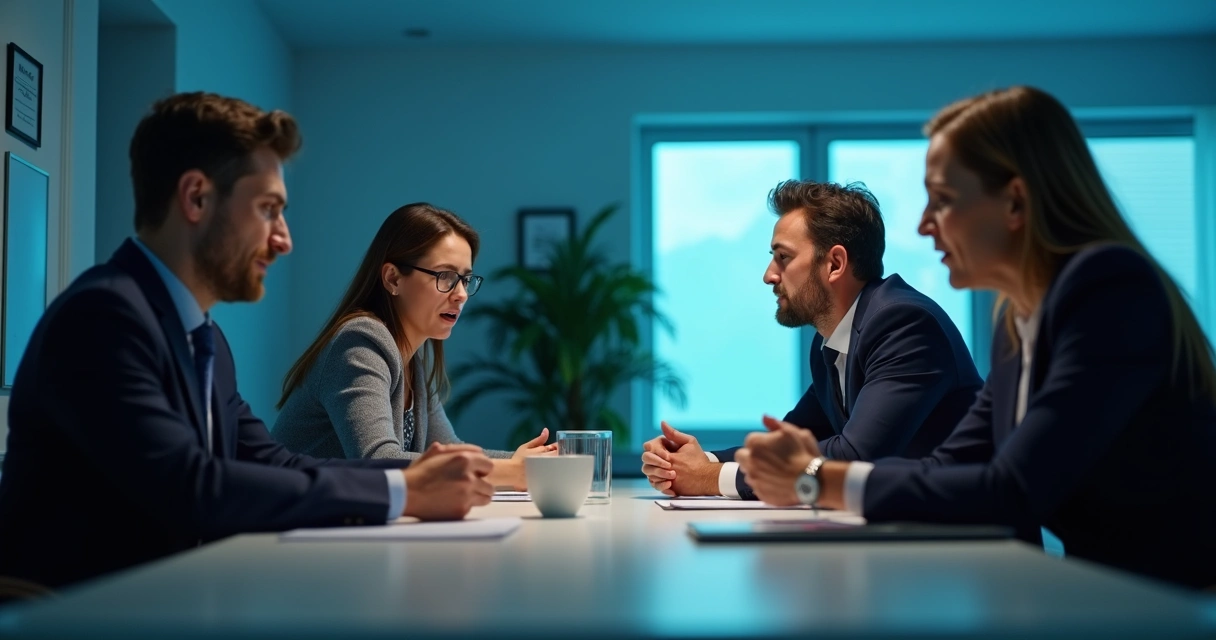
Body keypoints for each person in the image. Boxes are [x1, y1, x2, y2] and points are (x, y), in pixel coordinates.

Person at [0, 92, 494, 590]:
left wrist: (406, 485)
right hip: (79, 612)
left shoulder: (202, 334)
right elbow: (194, 485)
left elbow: (272, 461)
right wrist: (401, 491)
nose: (283, 239)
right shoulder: (105, 317)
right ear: (196, 198)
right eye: (267, 209)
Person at [737, 86, 1216, 589]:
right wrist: (808, 475)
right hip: (1104, 596)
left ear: (1014, 202)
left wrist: (813, 477)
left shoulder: (1108, 287)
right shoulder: (1018, 321)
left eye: (942, 201)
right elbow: (949, 465)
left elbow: (1011, 489)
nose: (924, 226)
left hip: (1179, 606)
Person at [642, 180, 982, 498]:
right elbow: (791, 444)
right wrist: (700, 460)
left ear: (834, 263)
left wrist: (709, 478)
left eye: (783, 257)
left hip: (976, 547)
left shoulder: (904, 324)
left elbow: (855, 456)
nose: (769, 275)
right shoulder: (831, 341)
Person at [273, 203, 554, 490]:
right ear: (393, 278)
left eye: (465, 279)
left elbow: (449, 448)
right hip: (284, 524)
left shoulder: (410, 361)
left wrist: (528, 464)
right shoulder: (359, 342)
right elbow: (378, 460)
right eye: (445, 276)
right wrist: (508, 472)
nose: (461, 295)